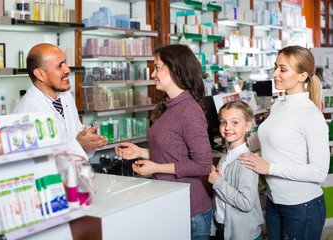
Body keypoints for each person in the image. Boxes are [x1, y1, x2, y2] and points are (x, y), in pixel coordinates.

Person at [115, 44, 213, 240]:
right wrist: (141, 152)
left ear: (175, 68)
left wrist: (156, 167)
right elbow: (175, 152)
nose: (153, 74)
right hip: (172, 202)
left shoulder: (189, 111)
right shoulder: (171, 106)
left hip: (191, 210)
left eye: (157, 67)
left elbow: (203, 165)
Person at [239, 45, 330, 240]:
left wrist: (269, 168)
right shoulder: (278, 105)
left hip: (302, 207)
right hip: (274, 201)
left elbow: (319, 172)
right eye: (275, 67)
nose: (274, 74)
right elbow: (276, 145)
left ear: (302, 76)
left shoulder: (311, 116)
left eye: (282, 69)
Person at [13, 43, 108, 160]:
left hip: (75, 173)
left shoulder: (65, 95)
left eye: (65, 63)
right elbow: (40, 161)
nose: (67, 69)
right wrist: (79, 144)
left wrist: (88, 140)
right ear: (40, 74)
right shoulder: (26, 113)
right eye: (59, 66)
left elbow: (74, 131)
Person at [208, 100, 264, 240]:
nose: (227, 127)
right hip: (226, 227)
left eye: (235, 122)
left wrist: (218, 181)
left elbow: (246, 202)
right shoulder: (227, 156)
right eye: (223, 122)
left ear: (248, 126)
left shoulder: (245, 161)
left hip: (243, 234)